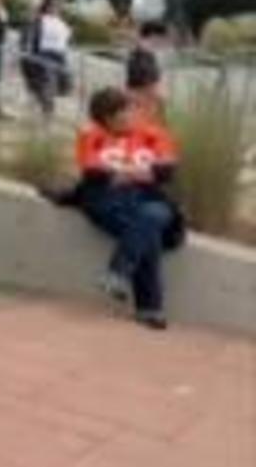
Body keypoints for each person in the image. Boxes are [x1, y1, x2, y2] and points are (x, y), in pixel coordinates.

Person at [54, 87, 183, 329]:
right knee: (148, 230)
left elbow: (167, 172)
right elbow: (93, 174)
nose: (126, 117)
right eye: (118, 115)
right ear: (105, 121)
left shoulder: (154, 134)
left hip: (150, 199)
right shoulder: (91, 136)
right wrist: (139, 173)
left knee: (154, 214)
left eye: (127, 110)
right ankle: (149, 308)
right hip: (109, 201)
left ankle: (117, 273)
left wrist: (125, 174)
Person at [20, 0, 73, 118]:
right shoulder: (39, 19)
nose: (58, 6)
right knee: (48, 86)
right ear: (47, 5)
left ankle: (41, 104)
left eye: (60, 4)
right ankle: (47, 114)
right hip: (44, 56)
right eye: (54, 4)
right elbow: (29, 38)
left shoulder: (62, 22)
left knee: (65, 87)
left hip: (60, 57)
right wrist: (27, 56)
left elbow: (65, 43)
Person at [126, 21, 169, 124]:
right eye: (161, 40)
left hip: (143, 103)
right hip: (142, 103)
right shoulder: (141, 56)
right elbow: (140, 83)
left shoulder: (144, 54)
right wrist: (158, 95)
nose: (162, 44)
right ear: (153, 37)